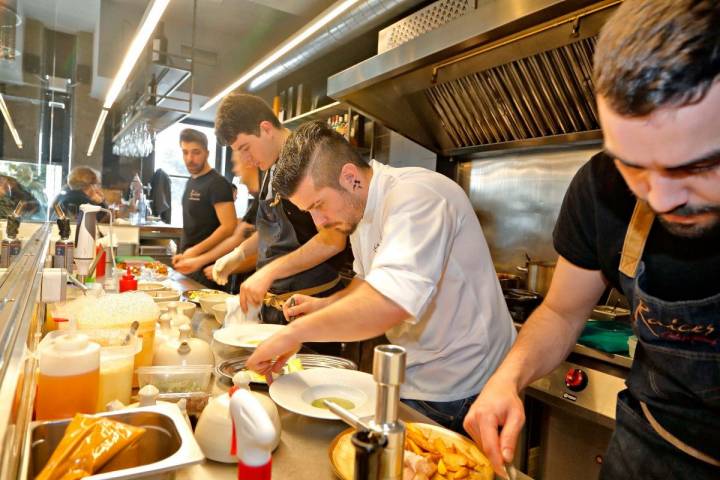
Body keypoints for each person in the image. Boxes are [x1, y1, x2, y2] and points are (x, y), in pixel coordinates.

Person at [463, 1, 720, 478]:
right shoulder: (600, 189)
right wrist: (508, 376)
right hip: (647, 449)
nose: (661, 198)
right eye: (633, 164)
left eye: (698, 166)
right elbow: (561, 312)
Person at [245, 121, 516, 432]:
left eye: (318, 205)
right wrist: (325, 307)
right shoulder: (360, 211)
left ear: (350, 178)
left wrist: (294, 334)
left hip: (465, 384)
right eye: (310, 212)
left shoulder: (417, 198)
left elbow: (388, 302)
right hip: (413, 374)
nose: (319, 223)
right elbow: (366, 284)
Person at [212, 94, 350, 335]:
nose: (245, 160)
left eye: (245, 148)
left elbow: (333, 240)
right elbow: (271, 229)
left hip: (311, 308)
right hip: (275, 308)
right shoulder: (271, 167)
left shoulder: (312, 158)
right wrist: (239, 253)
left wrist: (270, 271)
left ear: (266, 129)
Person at [176, 149, 258, 289]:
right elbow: (241, 236)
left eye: (236, 163)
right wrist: (198, 259)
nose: (235, 170)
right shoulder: (259, 201)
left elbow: (263, 248)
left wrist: (227, 265)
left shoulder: (274, 194)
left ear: (253, 162)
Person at [171, 128, 236, 288]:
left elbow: (229, 226)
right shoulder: (191, 181)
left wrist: (194, 251)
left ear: (207, 153)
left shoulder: (217, 184)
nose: (189, 159)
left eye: (196, 152)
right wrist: (184, 253)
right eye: (185, 152)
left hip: (209, 267)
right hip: (190, 262)